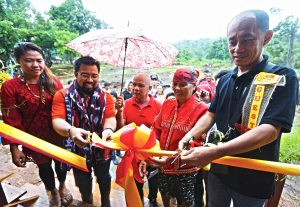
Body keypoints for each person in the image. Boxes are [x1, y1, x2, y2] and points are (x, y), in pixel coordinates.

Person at [178, 10, 299, 207]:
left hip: (254, 175)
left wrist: (215, 152)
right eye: (232, 41)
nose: (237, 48)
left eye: (247, 39)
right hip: (220, 171)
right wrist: (189, 136)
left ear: (266, 37)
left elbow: (270, 131)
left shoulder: (281, 77)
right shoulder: (225, 79)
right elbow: (211, 114)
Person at [1, 42, 73, 207]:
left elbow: (64, 108)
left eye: (39, 60)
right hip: (33, 137)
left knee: (62, 164)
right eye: (29, 60)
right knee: (44, 167)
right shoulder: (10, 87)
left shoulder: (53, 82)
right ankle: (52, 191)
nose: (35, 65)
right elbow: (11, 119)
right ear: (19, 61)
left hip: (57, 134)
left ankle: (62, 185)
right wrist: (14, 148)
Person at [52, 56, 116, 207]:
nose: (90, 80)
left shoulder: (106, 97)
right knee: (83, 183)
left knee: (104, 178)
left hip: (102, 149)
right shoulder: (62, 95)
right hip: (77, 149)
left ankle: (106, 201)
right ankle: (87, 202)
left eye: (94, 76)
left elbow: (110, 117)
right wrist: (71, 130)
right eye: (85, 75)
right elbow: (57, 120)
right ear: (76, 74)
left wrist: (108, 129)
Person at [144, 67, 208, 207]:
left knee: (184, 201)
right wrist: (152, 151)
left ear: (195, 86)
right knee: (165, 196)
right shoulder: (168, 103)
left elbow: (197, 144)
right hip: (162, 164)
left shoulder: (202, 110)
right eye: (174, 84)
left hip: (185, 168)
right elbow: (156, 129)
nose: (177, 88)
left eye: (183, 84)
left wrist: (170, 158)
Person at [115, 73, 162, 207]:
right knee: (136, 185)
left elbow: (160, 132)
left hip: (152, 154)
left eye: (141, 85)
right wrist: (119, 112)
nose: (136, 88)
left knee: (154, 182)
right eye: (134, 84)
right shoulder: (126, 105)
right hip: (132, 156)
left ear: (150, 87)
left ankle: (152, 200)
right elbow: (120, 131)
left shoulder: (158, 106)